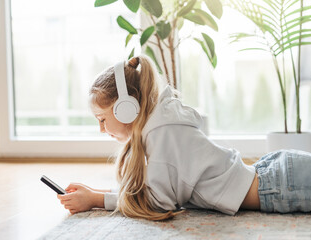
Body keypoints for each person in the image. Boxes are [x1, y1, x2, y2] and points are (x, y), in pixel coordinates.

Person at [57, 55, 311, 220]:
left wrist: (97, 200)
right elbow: (149, 191)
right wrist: (93, 192)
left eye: (102, 119)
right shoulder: (161, 124)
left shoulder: (162, 134)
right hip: (275, 175)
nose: (101, 129)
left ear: (127, 109)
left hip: (280, 186)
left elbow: (157, 202)